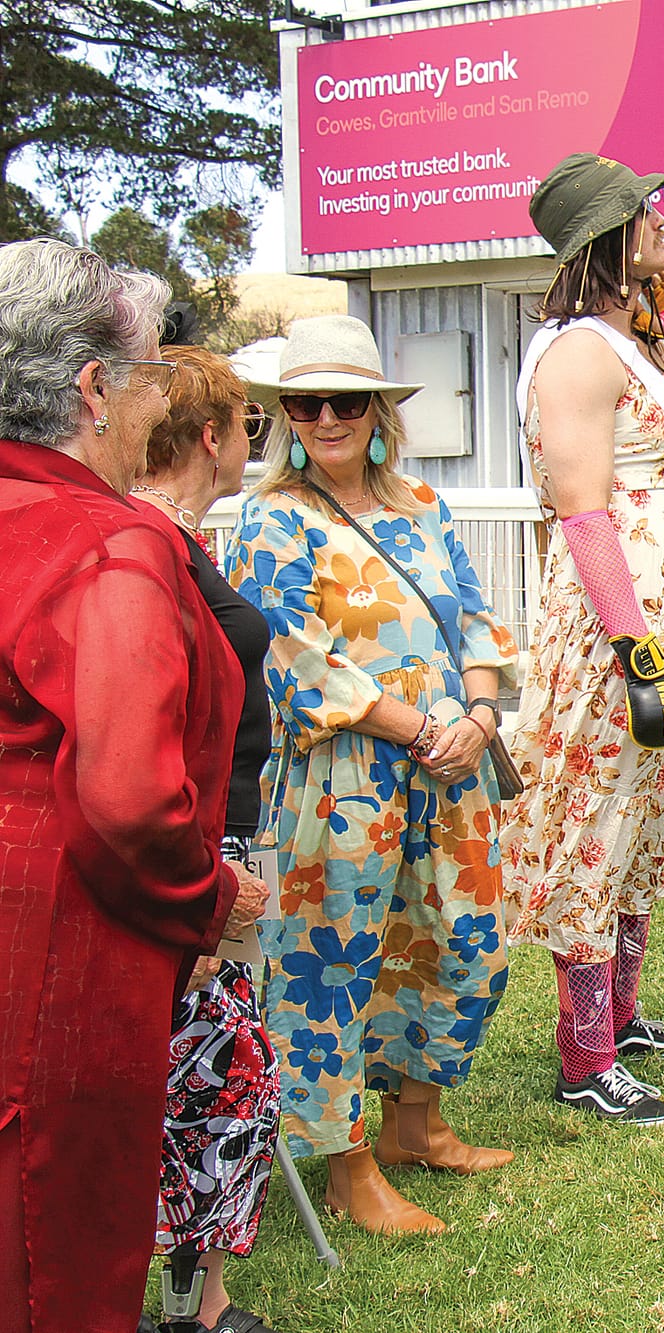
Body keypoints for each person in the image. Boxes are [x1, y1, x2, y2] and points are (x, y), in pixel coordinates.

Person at [0, 238, 261, 1330]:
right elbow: (127, 801)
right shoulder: (108, 545)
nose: (159, 397)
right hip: (64, 955)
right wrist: (215, 898)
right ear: (95, 387)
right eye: (151, 370)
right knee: (55, 1253)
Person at [226, 315, 517, 1235]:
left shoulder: (425, 506)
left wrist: (474, 717)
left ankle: (415, 1126)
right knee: (335, 963)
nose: (324, 417)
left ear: (378, 409)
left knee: (466, 941)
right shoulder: (273, 519)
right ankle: (351, 1167)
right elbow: (289, 657)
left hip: (453, 767)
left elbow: (474, 616)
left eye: (343, 399)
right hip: (341, 773)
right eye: (304, 403)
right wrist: (415, 725)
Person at [504, 153, 664, 1125]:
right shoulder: (574, 352)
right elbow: (581, 512)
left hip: (663, 627)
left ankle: (625, 1016)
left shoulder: (635, 345)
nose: (662, 218)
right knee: (598, 827)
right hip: (618, 634)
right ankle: (584, 1055)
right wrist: (635, 652)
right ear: (608, 231)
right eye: (644, 209)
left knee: (649, 819)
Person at [134, 347, 283, 1333]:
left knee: (211, 1071)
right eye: (249, 426)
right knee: (215, 1076)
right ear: (212, 437)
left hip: (222, 837)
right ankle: (184, 1305)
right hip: (192, 850)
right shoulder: (148, 542)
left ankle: (197, 1299)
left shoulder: (179, 541)